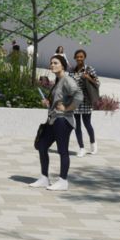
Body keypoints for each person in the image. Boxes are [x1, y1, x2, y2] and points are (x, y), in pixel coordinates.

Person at [31, 54, 82, 191]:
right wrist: (48, 102)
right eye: (51, 63)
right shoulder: (58, 81)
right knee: (42, 145)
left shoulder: (67, 80)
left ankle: (63, 181)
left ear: (63, 66)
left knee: (62, 150)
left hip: (63, 120)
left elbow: (79, 96)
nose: (52, 65)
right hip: (53, 119)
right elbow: (58, 100)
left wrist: (67, 108)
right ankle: (44, 178)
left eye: (55, 63)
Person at [71, 49, 100, 155]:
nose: (79, 58)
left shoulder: (89, 69)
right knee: (77, 125)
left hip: (86, 101)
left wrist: (88, 77)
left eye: (81, 57)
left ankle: (93, 143)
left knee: (87, 124)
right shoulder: (72, 71)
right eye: (77, 57)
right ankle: (81, 148)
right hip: (75, 101)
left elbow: (97, 83)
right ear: (74, 58)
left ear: (84, 57)